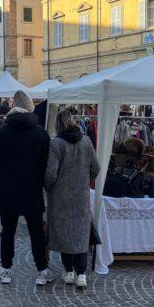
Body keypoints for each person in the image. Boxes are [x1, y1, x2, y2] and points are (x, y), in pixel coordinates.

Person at [0, 90, 52, 286]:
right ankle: (42, 270)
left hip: (8, 190)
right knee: (37, 232)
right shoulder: (41, 133)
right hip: (32, 190)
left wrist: (1, 181)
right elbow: (46, 163)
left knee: (7, 231)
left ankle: (5, 269)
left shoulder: (1, 132)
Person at [44, 110, 100, 288]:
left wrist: (47, 186)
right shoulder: (86, 141)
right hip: (81, 195)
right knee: (80, 234)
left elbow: (50, 173)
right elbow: (96, 167)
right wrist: (85, 180)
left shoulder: (56, 144)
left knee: (64, 233)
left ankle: (68, 271)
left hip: (60, 197)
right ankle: (81, 274)